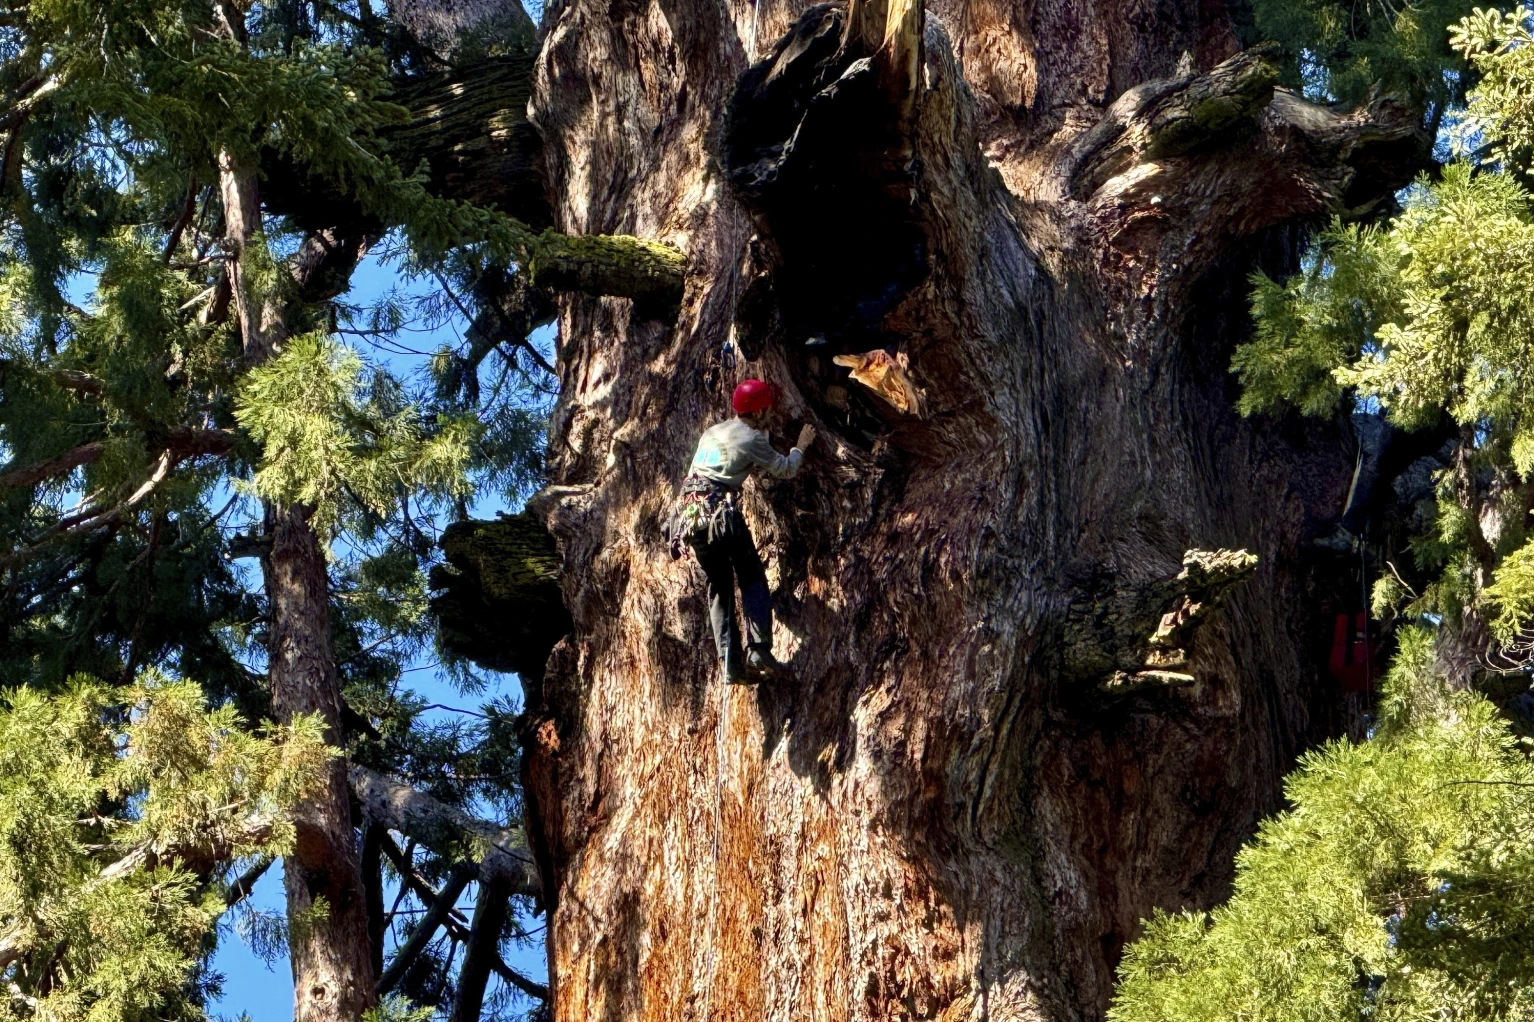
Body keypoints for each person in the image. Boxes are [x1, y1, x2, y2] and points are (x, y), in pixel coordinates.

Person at [674, 379, 815, 684]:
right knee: (750, 576)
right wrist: (800, 447)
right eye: (768, 408)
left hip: (691, 517)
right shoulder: (753, 440)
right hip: (721, 512)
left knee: (719, 590)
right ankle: (759, 650)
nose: (772, 412)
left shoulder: (713, 432)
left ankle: (729, 665)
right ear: (760, 409)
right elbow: (786, 469)